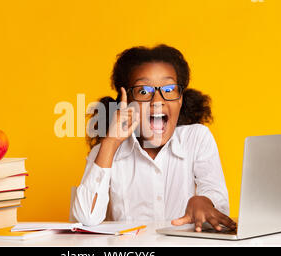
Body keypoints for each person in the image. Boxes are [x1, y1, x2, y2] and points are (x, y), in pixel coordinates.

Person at [72, 44, 236, 232]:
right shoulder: (105, 153)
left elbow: (220, 206)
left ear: (180, 99)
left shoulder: (196, 138)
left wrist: (204, 202)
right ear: (127, 102)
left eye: (169, 89)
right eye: (143, 91)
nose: (157, 100)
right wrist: (110, 143)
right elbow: (86, 218)